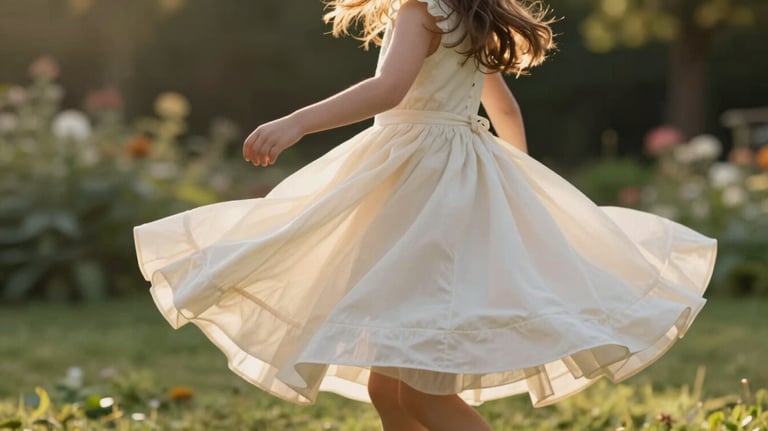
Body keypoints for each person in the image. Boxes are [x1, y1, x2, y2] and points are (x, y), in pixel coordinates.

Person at [133, 0, 717, 430]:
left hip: (419, 186)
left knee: (423, 393)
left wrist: (298, 122)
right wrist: (519, 188)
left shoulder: (420, 9)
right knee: (390, 389)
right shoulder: (469, 16)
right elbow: (506, 108)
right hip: (447, 182)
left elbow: (390, 89)